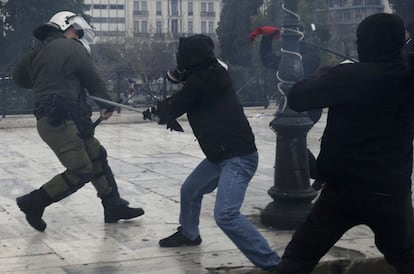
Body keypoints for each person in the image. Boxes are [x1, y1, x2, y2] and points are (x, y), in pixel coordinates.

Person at [272, 13, 414, 274]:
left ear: (364, 43)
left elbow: (298, 98)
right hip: (391, 191)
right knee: (406, 257)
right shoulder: (406, 78)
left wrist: (326, 74)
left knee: (298, 258)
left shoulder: (347, 76)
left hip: (343, 191)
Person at [144, 34, 280, 272]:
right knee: (190, 190)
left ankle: (274, 265)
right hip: (220, 154)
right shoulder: (209, 72)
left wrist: (159, 110)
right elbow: (183, 96)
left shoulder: (207, 78)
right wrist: (162, 109)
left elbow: (179, 102)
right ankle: (189, 234)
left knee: (226, 215)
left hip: (238, 158)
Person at [13, 11, 144, 232]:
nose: (78, 35)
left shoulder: (36, 52)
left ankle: (113, 205)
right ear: (68, 28)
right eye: (77, 31)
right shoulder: (73, 47)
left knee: (96, 155)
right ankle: (34, 202)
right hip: (61, 120)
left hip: (58, 118)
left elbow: (20, 78)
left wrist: (48, 80)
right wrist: (107, 104)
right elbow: (93, 79)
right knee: (82, 169)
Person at [250, 25, 322, 182]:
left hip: (308, 105)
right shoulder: (290, 54)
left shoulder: (309, 53)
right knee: (292, 141)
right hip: (293, 104)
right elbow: (269, 62)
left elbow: (300, 70)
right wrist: (267, 38)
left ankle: (318, 174)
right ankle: (311, 175)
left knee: (294, 140)